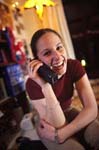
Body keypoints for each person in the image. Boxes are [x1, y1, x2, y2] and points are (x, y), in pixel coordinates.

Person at [26, 28, 99, 150]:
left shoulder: (73, 66)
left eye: (59, 47)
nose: (58, 56)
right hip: (49, 123)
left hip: (69, 111)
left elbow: (92, 109)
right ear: (37, 61)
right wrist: (45, 85)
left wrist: (61, 135)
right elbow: (57, 125)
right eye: (47, 53)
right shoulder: (32, 84)